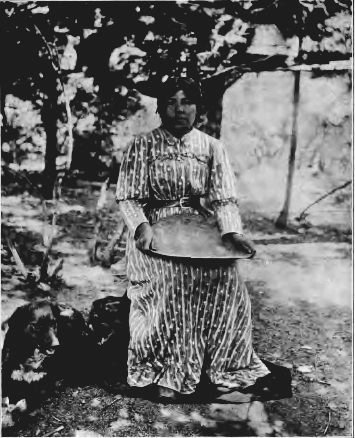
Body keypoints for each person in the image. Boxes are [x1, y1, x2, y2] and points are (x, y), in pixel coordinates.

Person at [116, 76, 270, 400]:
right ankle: (165, 372)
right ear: (160, 107)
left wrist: (233, 233)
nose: (179, 109)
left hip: (198, 228)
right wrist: (141, 226)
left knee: (227, 280)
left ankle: (223, 368)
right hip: (154, 229)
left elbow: (224, 198)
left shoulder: (212, 147)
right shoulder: (142, 145)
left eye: (186, 102)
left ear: (197, 107)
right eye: (171, 101)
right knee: (174, 283)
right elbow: (128, 198)